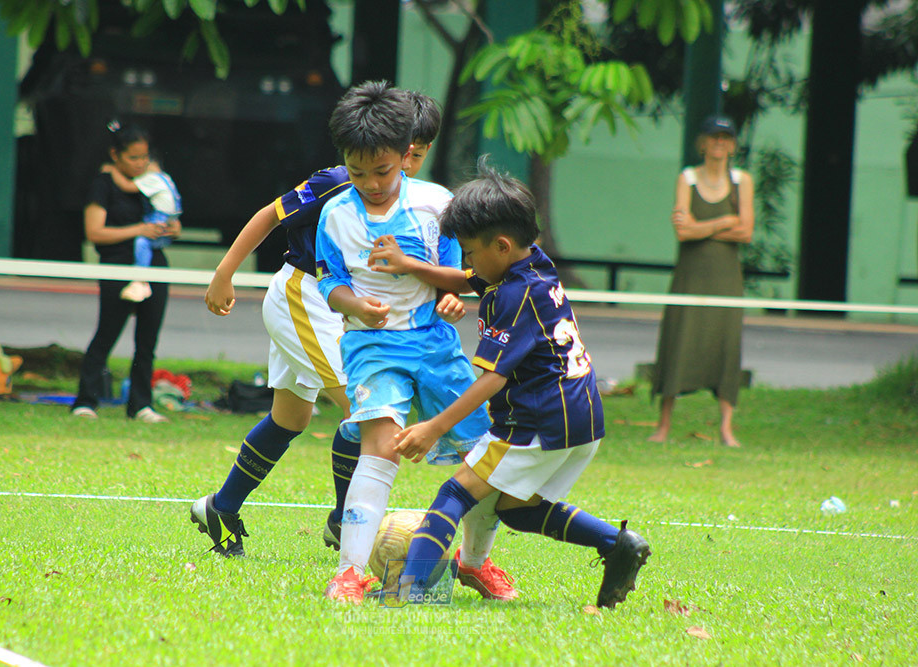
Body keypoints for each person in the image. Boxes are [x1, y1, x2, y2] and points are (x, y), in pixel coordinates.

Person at [189, 89, 450, 560]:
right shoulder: (338, 182)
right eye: (403, 154)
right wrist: (224, 274)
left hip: (342, 309)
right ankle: (342, 521)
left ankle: (220, 506)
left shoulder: (414, 200)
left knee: (291, 417)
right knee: (367, 408)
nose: (406, 164)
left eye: (416, 154)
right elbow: (271, 215)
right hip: (305, 297)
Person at [388, 160, 651, 609]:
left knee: (456, 491)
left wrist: (434, 426)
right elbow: (465, 279)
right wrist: (409, 265)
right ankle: (617, 543)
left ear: (502, 245)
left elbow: (493, 376)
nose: (467, 263)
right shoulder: (533, 266)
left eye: (470, 252)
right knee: (519, 509)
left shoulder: (512, 295)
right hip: (580, 417)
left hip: (536, 419)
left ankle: (409, 591)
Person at [317, 82, 514, 604]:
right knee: (379, 449)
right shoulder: (334, 215)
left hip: (433, 344)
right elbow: (328, 282)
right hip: (373, 347)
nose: (371, 183)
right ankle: (350, 573)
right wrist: (353, 305)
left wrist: (450, 295)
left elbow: (460, 271)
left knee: (483, 456)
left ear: (405, 153)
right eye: (357, 173)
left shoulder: (436, 205)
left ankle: (474, 564)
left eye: (382, 171)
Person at [648, 115, 755, 448]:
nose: (719, 143)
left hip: (726, 277)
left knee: (726, 344)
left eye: (726, 138)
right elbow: (683, 230)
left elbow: (746, 231)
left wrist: (702, 227)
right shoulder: (688, 178)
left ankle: (726, 428)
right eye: (714, 137)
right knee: (679, 338)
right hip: (690, 275)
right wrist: (725, 220)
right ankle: (663, 425)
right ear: (703, 143)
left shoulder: (742, 181)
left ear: (733, 145)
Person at [71, 122, 180, 423]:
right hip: (118, 264)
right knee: (106, 334)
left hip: (154, 265)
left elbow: (172, 217)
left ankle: (141, 405)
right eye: (133, 158)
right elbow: (94, 232)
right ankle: (86, 400)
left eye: (144, 157)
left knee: (147, 341)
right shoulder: (102, 185)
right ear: (115, 155)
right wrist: (139, 230)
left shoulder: (153, 182)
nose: (140, 164)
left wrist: (170, 228)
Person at [102, 155, 183, 303]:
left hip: (160, 217)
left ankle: (140, 281)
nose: (141, 166)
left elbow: (127, 186)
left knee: (142, 242)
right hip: (170, 217)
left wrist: (112, 170)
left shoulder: (153, 178)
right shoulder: (166, 178)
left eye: (146, 162)